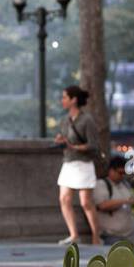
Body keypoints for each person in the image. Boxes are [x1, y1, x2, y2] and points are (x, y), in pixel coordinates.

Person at [54, 85, 101, 245]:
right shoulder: (65, 120)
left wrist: (74, 146)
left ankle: (96, 236)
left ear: (74, 100)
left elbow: (94, 144)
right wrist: (62, 141)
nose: (62, 101)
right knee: (64, 198)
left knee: (86, 202)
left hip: (83, 163)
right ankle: (73, 234)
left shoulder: (87, 120)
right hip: (68, 162)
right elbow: (66, 139)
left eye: (65, 97)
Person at [93, 155, 134, 245]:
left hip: (130, 236)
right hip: (111, 236)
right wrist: (125, 201)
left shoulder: (125, 184)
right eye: (120, 173)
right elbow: (102, 205)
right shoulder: (101, 184)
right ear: (111, 171)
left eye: (124, 173)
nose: (122, 176)